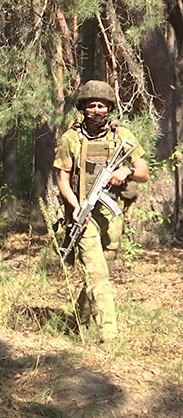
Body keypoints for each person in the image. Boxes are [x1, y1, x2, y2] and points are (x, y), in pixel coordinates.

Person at [53, 80, 150, 344]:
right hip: (84, 215)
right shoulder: (71, 138)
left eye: (102, 105)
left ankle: (80, 325)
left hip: (112, 217)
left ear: (109, 107)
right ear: (83, 107)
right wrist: (75, 207)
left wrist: (125, 171)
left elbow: (144, 172)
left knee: (99, 276)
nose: (96, 110)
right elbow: (63, 178)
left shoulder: (122, 137)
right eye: (91, 105)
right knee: (97, 276)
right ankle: (109, 336)